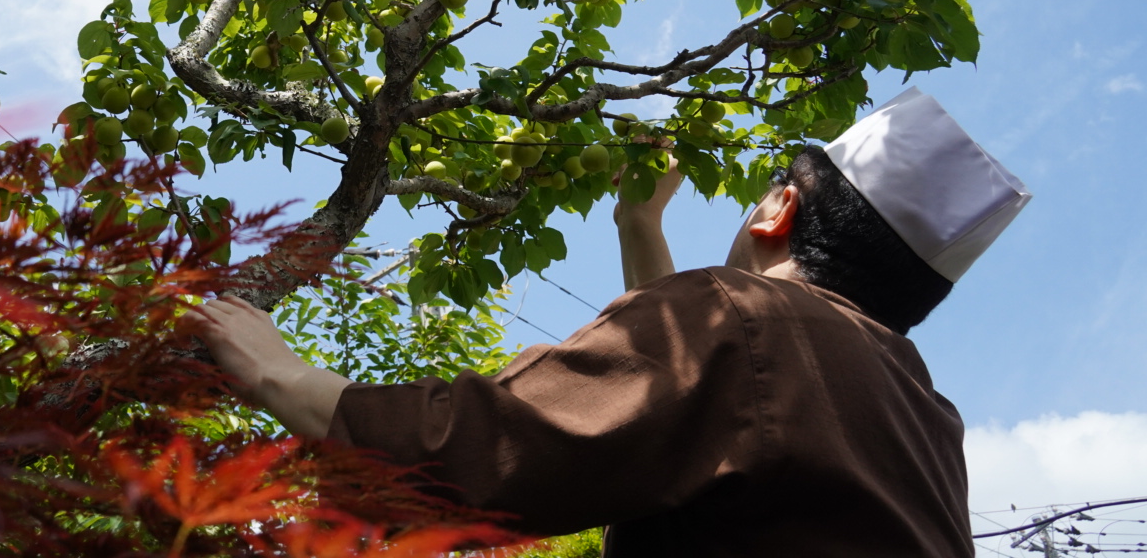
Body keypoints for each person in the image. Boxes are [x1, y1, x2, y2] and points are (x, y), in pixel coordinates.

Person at [184, 89, 1031, 557]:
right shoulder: (924, 415)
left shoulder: (742, 319)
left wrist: (278, 373)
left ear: (778, 210)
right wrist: (640, 228)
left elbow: (486, 448)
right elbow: (701, 416)